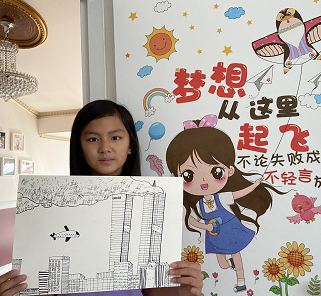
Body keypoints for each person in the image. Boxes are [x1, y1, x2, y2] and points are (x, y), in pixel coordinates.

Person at [0, 100, 203, 296]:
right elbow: (43, 281)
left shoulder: (154, 201)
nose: (105, 147)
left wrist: (183, 291)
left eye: (115, 138)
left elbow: (155, 288)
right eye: (93, 139)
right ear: (80, 148)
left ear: (130, 144)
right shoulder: (53, 209)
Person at [166, 114, 284, 293]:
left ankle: (241, 281)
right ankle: (229, 265)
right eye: (189, 175)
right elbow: (193, 221)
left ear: (229, 171)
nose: (204, 180)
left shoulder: (222, 197)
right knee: (221, 262)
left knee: (236, 254)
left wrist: (255, 185)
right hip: (214, 234)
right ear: (175, 178)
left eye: (215, 171)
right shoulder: (199, 205)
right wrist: (206, 227)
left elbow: (239, 193)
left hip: (230, 228)